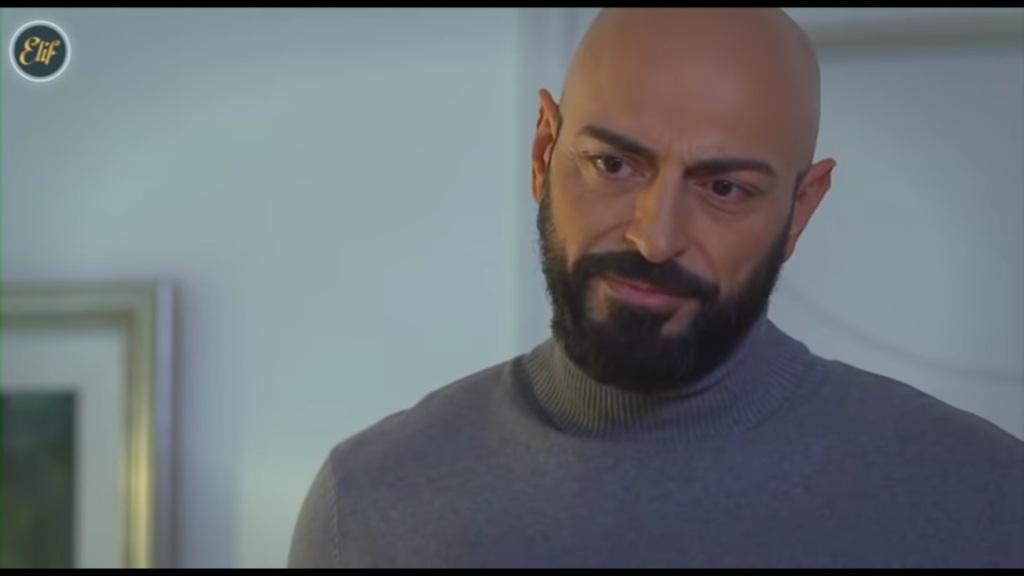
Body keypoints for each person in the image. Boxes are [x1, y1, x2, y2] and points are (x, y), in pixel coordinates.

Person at [288, 8, 1024, 568]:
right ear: (544, 151)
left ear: (799, 211)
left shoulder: (984, 497)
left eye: (725, 188)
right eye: (613, 166)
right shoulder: (372, 503)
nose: (655, 237)